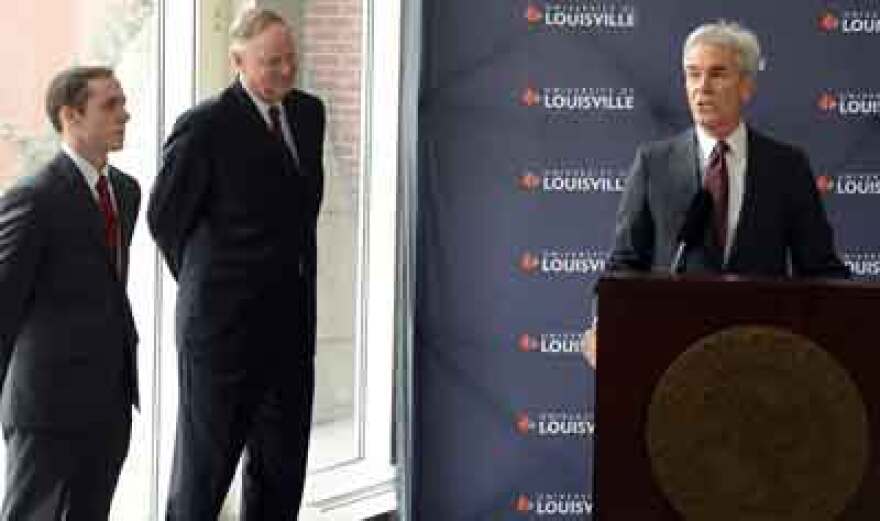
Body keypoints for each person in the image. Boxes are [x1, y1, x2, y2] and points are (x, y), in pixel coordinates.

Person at [583, 21, 848, 366]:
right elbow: (624, 264)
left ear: (746, 86)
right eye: (693, 75)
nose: (702, 88)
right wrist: (604, 325)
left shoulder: (787, 167)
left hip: (761, 362)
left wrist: (847, 326)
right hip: (673, 360)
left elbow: (820, 269)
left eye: (717, 74)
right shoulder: (654, 163)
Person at [147, 7, 325, 519]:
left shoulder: (309, 114)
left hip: (291, 329)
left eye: (291, 59)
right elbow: (165, 220)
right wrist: (213, 285)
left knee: (281, 472)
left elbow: (297, 217)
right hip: (222, 335)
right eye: (272, 63)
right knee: (204, 477)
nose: (286, 72)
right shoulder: (204, 126)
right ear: (238, 61)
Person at [0, 66, 140, 520]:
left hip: (110, 401)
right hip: (48, 409)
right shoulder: (33, 198)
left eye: (123, 102)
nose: (126, 114)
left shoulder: (125, 191)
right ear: (70, 116)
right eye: (110, 105)